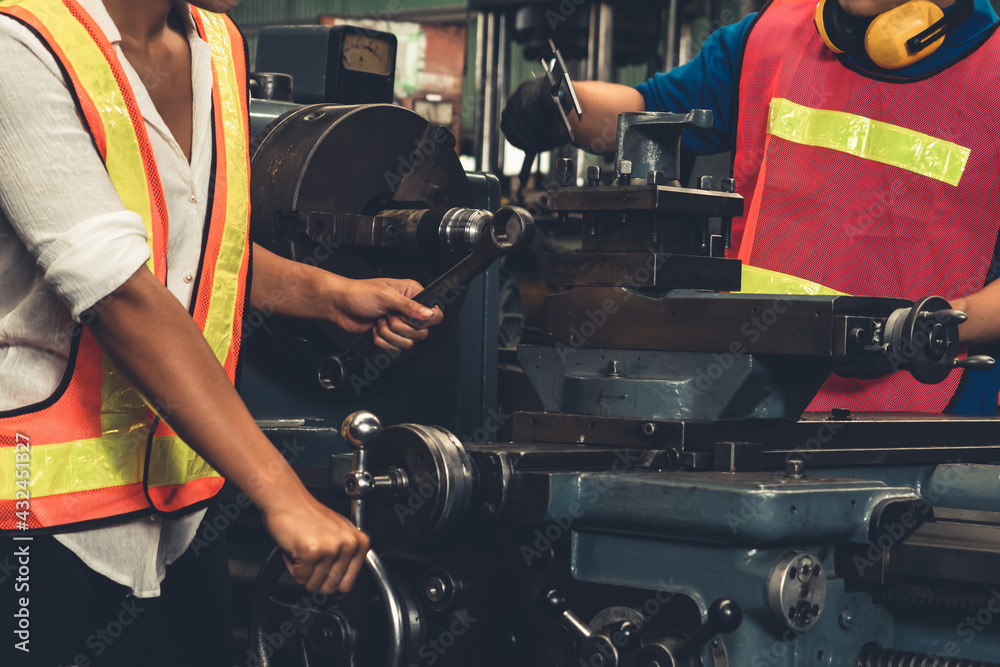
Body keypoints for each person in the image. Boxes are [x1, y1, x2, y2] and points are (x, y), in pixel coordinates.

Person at [0, 0, 443, 664]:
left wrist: (327, 293)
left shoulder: (218, 45)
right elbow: (121, 293)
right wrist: (281, 492)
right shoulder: (21, 44)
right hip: (34, 513)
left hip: (180, 513)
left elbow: (201, 246)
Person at [501, 0, 1000, 415]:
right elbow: (646, 106)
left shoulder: (992, 73)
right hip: (747, 394)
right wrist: (561, 109)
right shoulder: (772, 36)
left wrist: (925, 328)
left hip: (921, 421)